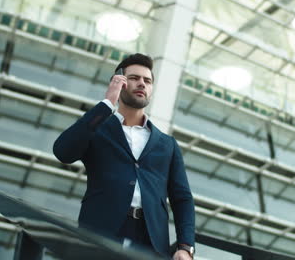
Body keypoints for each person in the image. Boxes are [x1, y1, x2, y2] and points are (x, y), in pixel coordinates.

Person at [53, 53, 195, 259]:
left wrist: (185, 246)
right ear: (119, 81)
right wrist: (107, 104)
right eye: (134, 78)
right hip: (99, 235)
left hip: (150, 243)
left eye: (147, 81)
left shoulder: (167, 144)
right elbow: (63, 152)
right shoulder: (97, 130)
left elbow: (182, 199)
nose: (141, 84)